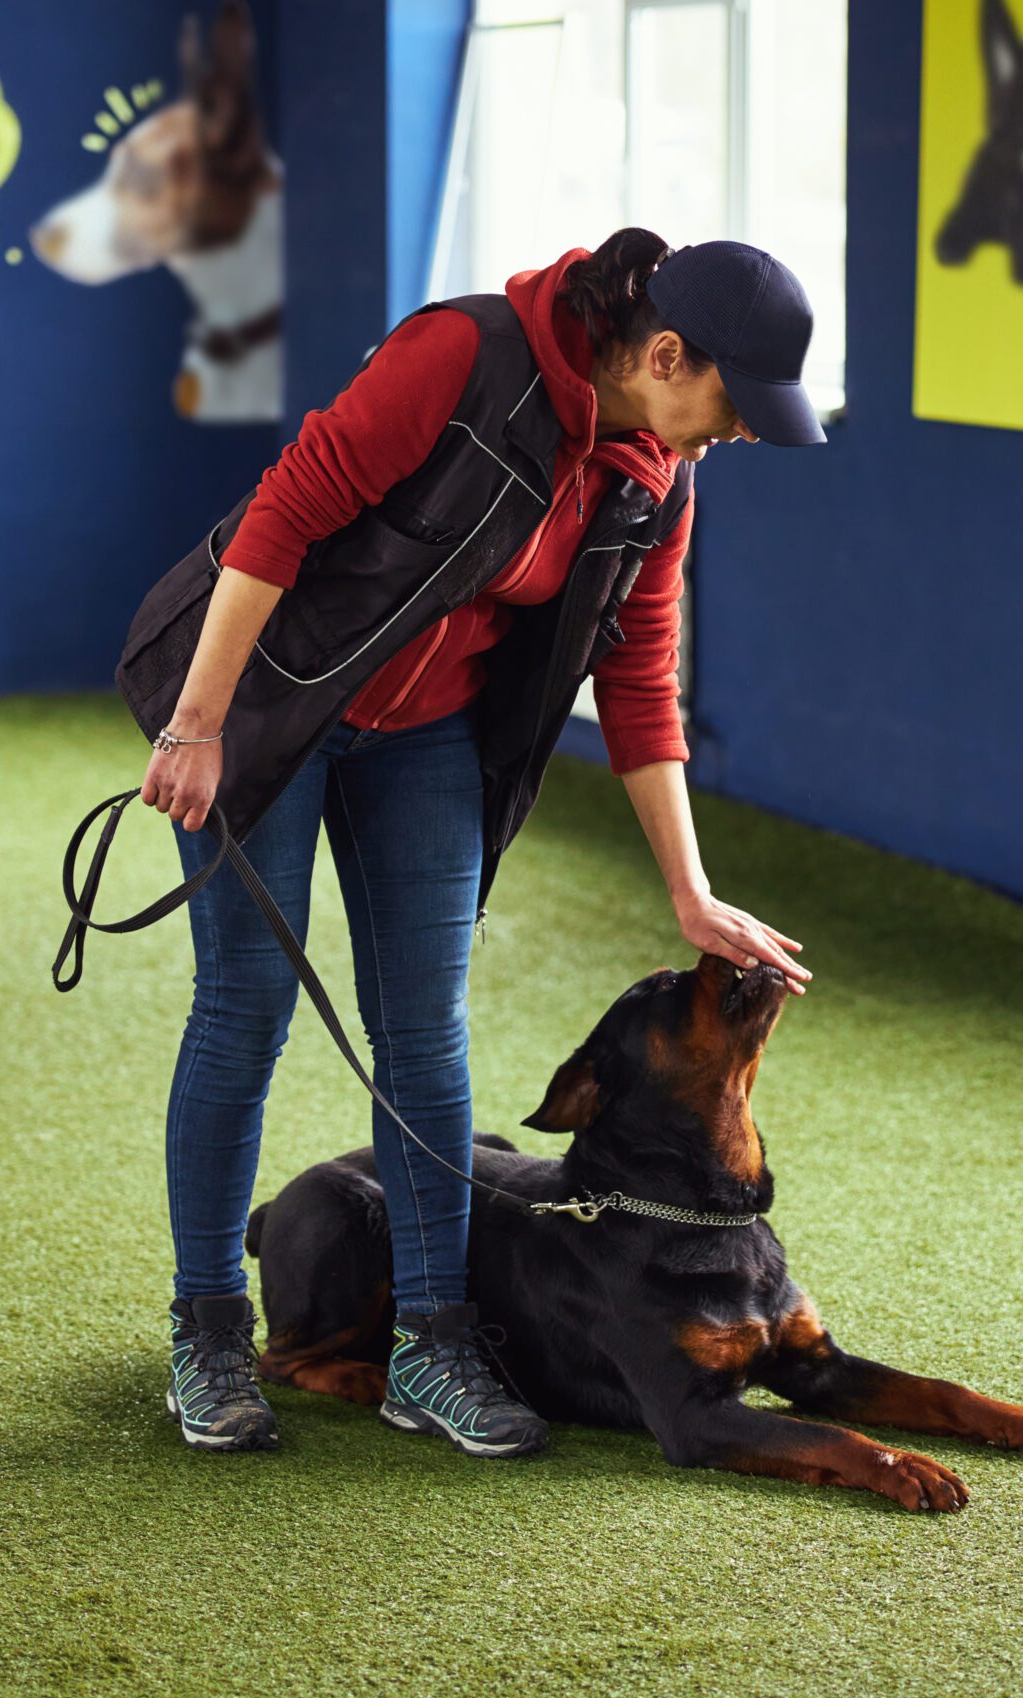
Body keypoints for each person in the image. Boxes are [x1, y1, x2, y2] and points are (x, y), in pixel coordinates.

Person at [142, 228, 825, 1456]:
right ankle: (206, 1331)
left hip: (427, 731)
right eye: (730, 406)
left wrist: (692, 893)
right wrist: (197, 724)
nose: (732, 437)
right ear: (664, 351)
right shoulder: (459, 356)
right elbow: (282, 519)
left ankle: (432, 1342)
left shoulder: (654, 474)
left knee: (426, 1028)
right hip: (273, 707)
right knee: (244, 1007)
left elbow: (639, 674)